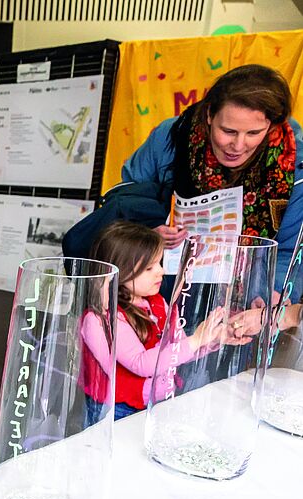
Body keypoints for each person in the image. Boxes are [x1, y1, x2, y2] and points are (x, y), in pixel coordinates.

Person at [121, 64, 303, 289]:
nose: (237, 145)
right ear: (209, 115)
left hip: (248, 303)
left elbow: (291, 252)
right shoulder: (170, 139)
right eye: (228, 131)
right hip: (161, 290)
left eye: (253, 133)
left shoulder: (293, 163)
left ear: (272, 126)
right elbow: (124, 203)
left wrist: (272, 296)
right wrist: (145, 233)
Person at [80, 222, 226, 424]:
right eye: (149, 268)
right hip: (118, 409)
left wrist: (210, 340)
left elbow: (177, 349)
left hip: (156, 401)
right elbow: (142, 364)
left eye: (159, 262)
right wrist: (196, 340)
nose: (161, 271)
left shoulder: (156, 302)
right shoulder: (99, 319)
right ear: (119, 273)